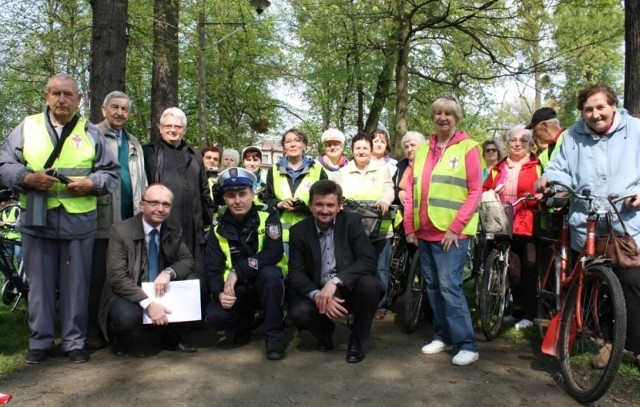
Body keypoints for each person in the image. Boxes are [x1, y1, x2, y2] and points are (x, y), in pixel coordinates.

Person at [0, 73, 120, 364]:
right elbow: (3, 163)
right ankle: (39, 342)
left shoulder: (91, 132)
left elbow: (111, 173)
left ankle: (74, 342)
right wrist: (26, 177)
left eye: (68, 94)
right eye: (56, 93)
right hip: (37, 221)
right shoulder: (27, 127)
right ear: (46, 97)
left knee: (76, 285)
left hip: (78, 222)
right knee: (39, 286)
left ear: (79, 100)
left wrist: (91, 184)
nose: (62, 99)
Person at [535, 83, 640, 369]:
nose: (595, 114)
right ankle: (608, 343)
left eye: (600, 107)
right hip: (588, 223)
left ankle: (636, 345)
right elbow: (559, 168)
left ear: (613, 106)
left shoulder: (636, 130)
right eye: (588, 109)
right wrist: (550, 180)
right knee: (596, 285)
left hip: (626, 223)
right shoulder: (571, 137)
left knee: (631, 282)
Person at [404, 95, 481, 366]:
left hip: (452, 234)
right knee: (433, 286)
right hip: (424, 231)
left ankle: (467, 344)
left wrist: (455, 228)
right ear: (432, 117)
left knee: (450, 286)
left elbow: (475, 193)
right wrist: (409, 226)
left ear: (456, 117)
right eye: (437, 113)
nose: (442, 118)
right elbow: (413, 190)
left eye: (448, 113)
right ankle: (443, 335)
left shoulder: (469, 148)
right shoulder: (423, 149)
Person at [288, 180, 380, 363]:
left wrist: (335, 281)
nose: (324, 210)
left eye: (330, 205)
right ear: (311, 206)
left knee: (370, 285)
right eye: (319, 204)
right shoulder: (298, 231)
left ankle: (357, 339)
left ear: (340, 206)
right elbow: (296, 274)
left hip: (347, 288)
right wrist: (317, 295)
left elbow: (368, 260)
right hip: (318, 289)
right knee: (299, 311)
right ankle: (324, 333)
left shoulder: (351, 222)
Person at [100, 184, 197, 356]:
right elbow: (117, 278)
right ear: (141, 205)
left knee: (197, 282)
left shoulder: (173, 228)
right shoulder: (121, 231)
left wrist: (168, 272)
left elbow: (187, 260)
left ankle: (173, 336)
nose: (160, 209)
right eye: (154, 203)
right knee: (125, 317)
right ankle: (122, 338)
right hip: (130, 293)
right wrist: (148, 303)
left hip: (160, 289)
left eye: (166, 204)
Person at [86, 91, 147, 350]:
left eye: (124, 109)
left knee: (127, 277)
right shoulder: (91, 136)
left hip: (129, 222)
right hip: (102, 220)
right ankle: (91, 329)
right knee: (97, 277)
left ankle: (119, 328)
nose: (120, 113)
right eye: (115, 107)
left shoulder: (134, 143)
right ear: (103, 109)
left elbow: (141, 181)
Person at [205, 168, 286, 360]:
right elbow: (213, 268)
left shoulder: (268, 215)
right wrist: (219, 293)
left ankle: (274, 338)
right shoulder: (218, 226)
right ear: (224, 198)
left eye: (242, 194)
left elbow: (274, 252)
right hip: (236, 290)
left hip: (264, 284)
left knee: (271, 275)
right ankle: (243, 326)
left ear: (252, 193)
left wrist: (238, 271)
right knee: (216, 316)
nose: (237, 200)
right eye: (231, 195)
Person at [483, 125, 541, 329]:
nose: (517, 144)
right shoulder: (499, 166)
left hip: (528, 222)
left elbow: (544, 188)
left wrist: (538, 196)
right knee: (513, 270)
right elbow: (485, 188)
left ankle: (530, 314)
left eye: (523, 141)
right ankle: (515, 309)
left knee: (530, 268)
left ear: (529, 144)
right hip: (503, 221)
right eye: (513, 140)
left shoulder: (536, 164)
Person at [143, 107, 213, 275]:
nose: (173, 130)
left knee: (195, 280)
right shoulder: (149, 153)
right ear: (160, 129)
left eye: (177, 127)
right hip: (163, 228)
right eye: (168, 126)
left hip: (193, 231)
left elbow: (204, 191)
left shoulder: (195, 155)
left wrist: (208, 219)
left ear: (184, 130)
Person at [334, 133, 394, 320]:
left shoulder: (382, 169)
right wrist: (339, 203)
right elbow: (336, 193)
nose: (361, 151)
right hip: (353, 231)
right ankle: (354, 304)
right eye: (357, 148)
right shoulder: (343, 172)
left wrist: (385, 200)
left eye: (365, 148)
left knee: (381, 269)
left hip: (380, 228)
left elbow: (389, 189)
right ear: (352, 151)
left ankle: (379, 305)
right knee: (353, 267)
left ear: (370, 150)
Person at [263, 128, 328, 246]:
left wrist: (307, 208)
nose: (293, 144)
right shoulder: (273, 171)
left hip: (311, 233)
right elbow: (267, 200)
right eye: (288, 141)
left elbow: (327, 201)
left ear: (304, 145)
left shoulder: (318, 170)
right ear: (283, 146)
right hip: (280, 235)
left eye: (297, 140)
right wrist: (280, 204)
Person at [393, 131, 426, 206]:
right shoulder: (400, 167)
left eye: (413, 145)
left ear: (422, 146)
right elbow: (391, 188)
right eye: (406, 147)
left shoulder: (430, 165)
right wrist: (399, 193)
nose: (409, 149)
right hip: (404, 213)